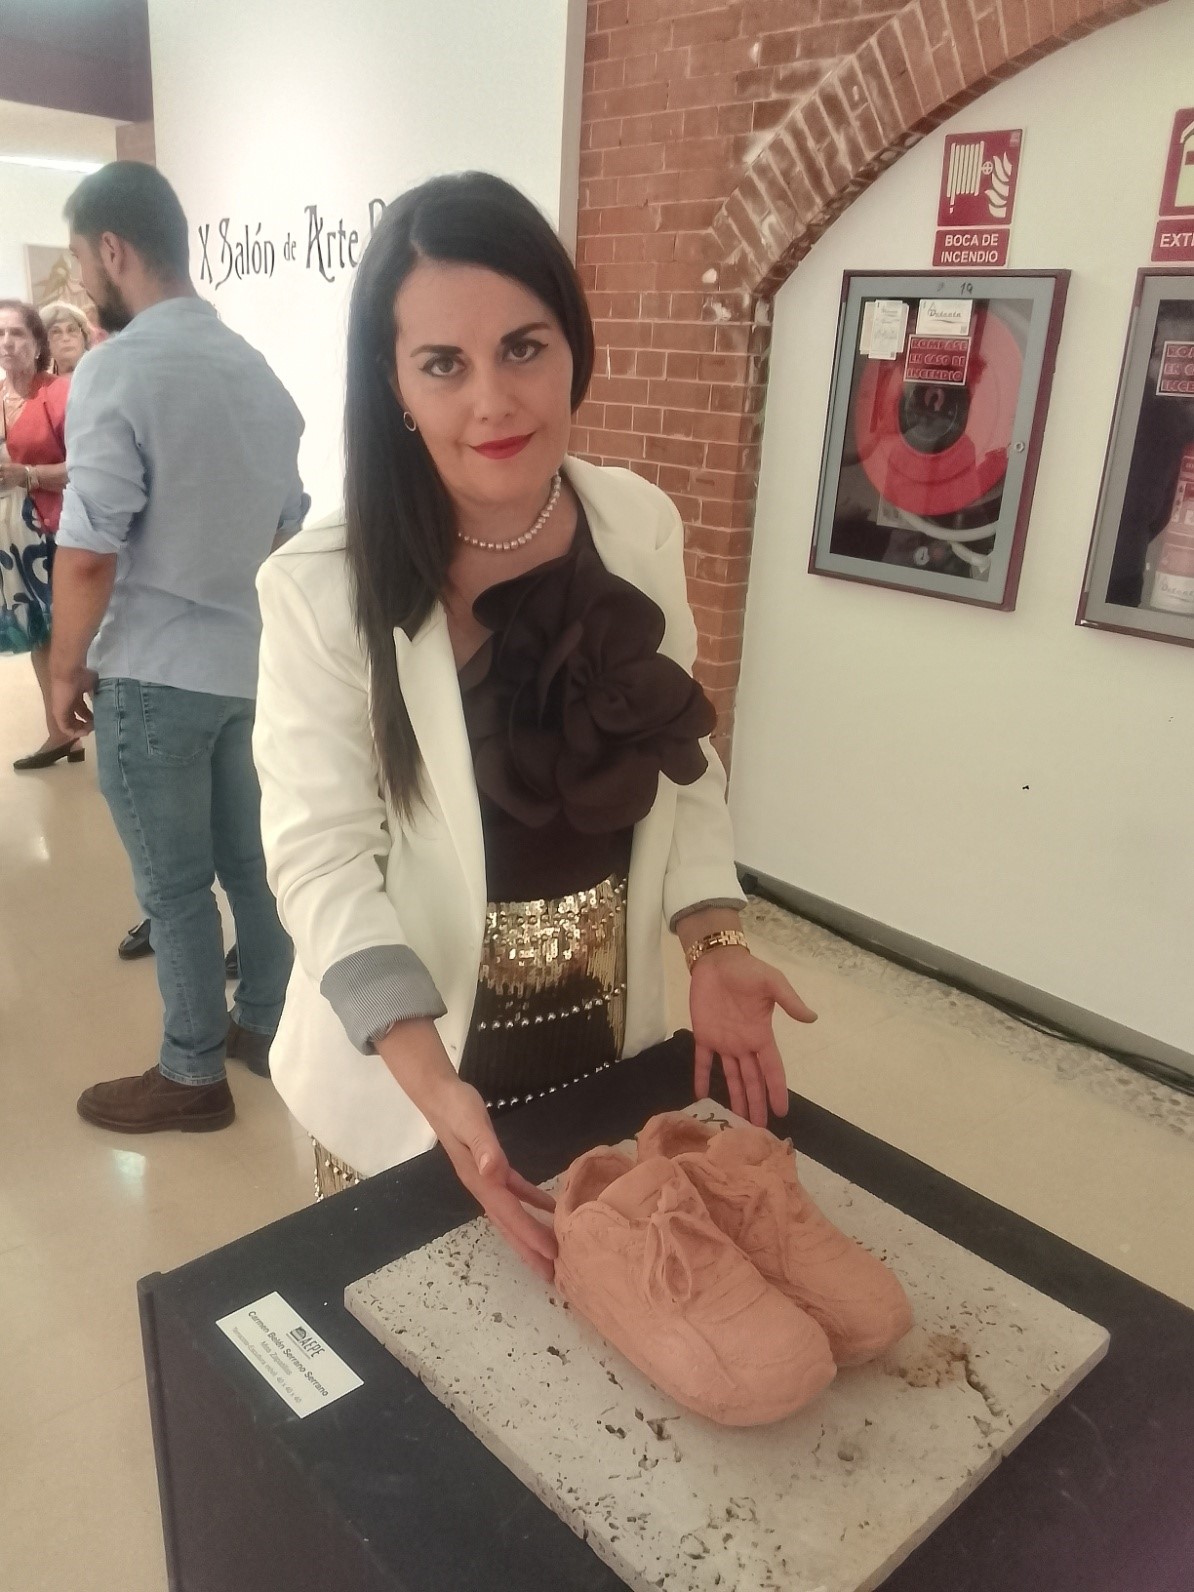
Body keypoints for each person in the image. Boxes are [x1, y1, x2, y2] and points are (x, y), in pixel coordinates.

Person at [253, 173, 816, 1278]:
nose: (494, 402)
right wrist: (430, 1080)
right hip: (409, 1081)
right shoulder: (321, 587)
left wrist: (713, 938)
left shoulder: (636, 524)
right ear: (393, 382)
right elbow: (320, 857)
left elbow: (682, 756)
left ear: (573, 345)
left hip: (604, 1048)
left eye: (523, 347)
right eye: (443, 364)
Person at [50, 160, 305, 1133]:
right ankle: (267, 1023)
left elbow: (89, 550)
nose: (83, 283)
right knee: (250, 865)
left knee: (174, 887)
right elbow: (285, 531)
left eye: (81, 261)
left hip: (153, 672)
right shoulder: (257, 372)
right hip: (247, 670)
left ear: (113, 249)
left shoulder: (117, 368)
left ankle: (192, 1070)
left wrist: (65, 669)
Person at [0, 299, 77, 768]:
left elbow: (86, 465)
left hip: (56, 530)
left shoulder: (58, 393)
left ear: (36, 342)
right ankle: (62, 732)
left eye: (17, 333)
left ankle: (72, 729)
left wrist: (27, 475)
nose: (7, 343)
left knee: (68, 635)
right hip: (9, 538)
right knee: (39, 636)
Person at [40, 301, 93, 375]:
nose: (66, 338)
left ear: (84, 336)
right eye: (56, 332)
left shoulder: (100, 369)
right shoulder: (43, 379)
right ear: (45, 342)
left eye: (72, 330)